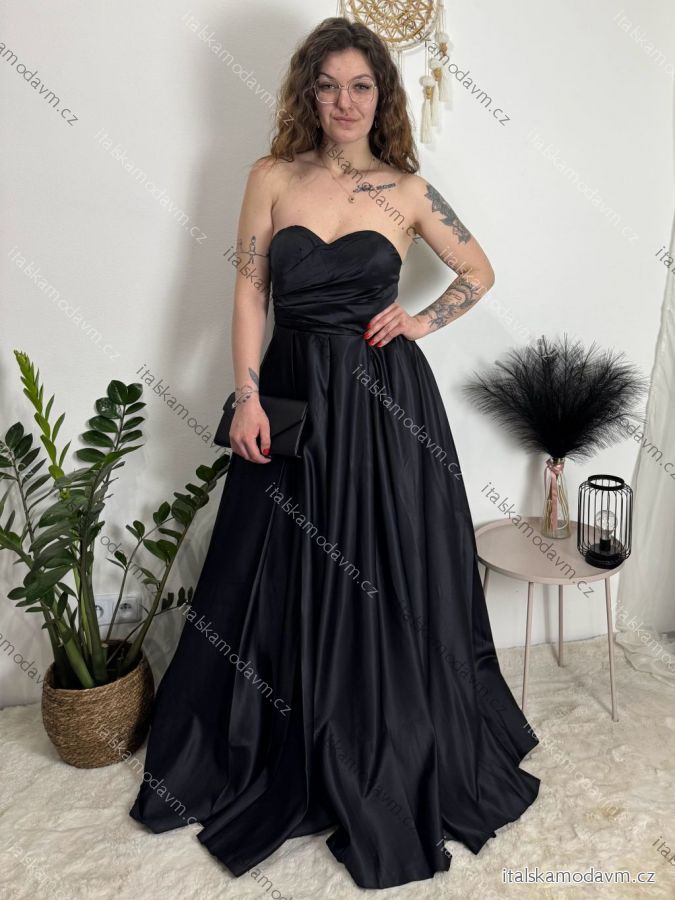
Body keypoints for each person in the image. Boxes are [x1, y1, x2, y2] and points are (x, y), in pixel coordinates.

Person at [130, 16, 540, 890]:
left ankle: (376, 734)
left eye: (360, 86)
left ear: (380, 97)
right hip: (287, 396)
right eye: (328, 87)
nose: (344, 102)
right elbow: (249, 291)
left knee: (381, 570)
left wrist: (420, 320)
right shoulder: (270, 176)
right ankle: (281, 732)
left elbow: (478, 272)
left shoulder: (408, 190)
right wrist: (246, 396)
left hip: (382, 406)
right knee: (270, 568)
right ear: (307, 94)